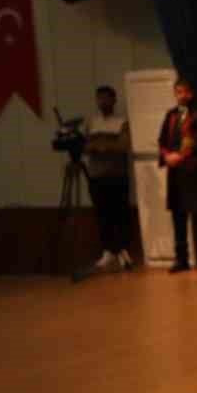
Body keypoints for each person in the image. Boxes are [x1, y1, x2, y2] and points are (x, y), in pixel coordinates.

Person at [157, 78, 197, 272]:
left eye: (185, 92)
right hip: (176, 175)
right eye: (178, 92)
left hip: (194, 172)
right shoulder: (171, 115)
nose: (182, 95)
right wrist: (167, 156)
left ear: (191, 93)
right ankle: (181, 258)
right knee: (178, 217)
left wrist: (180, 157)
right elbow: (162, 140)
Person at [84, 84, 134, 271]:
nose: (102, 102)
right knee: (102, 215)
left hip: (117, 176)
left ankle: (123, 251)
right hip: (97, 177)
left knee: (119, 214)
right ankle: (107, 251)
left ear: (114, 100)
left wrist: (100, 145)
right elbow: (86, 147)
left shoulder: (122, 122)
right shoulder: (91, 122)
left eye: (106, 98)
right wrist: (104, 144)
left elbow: (122, 146)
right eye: (99, 98)